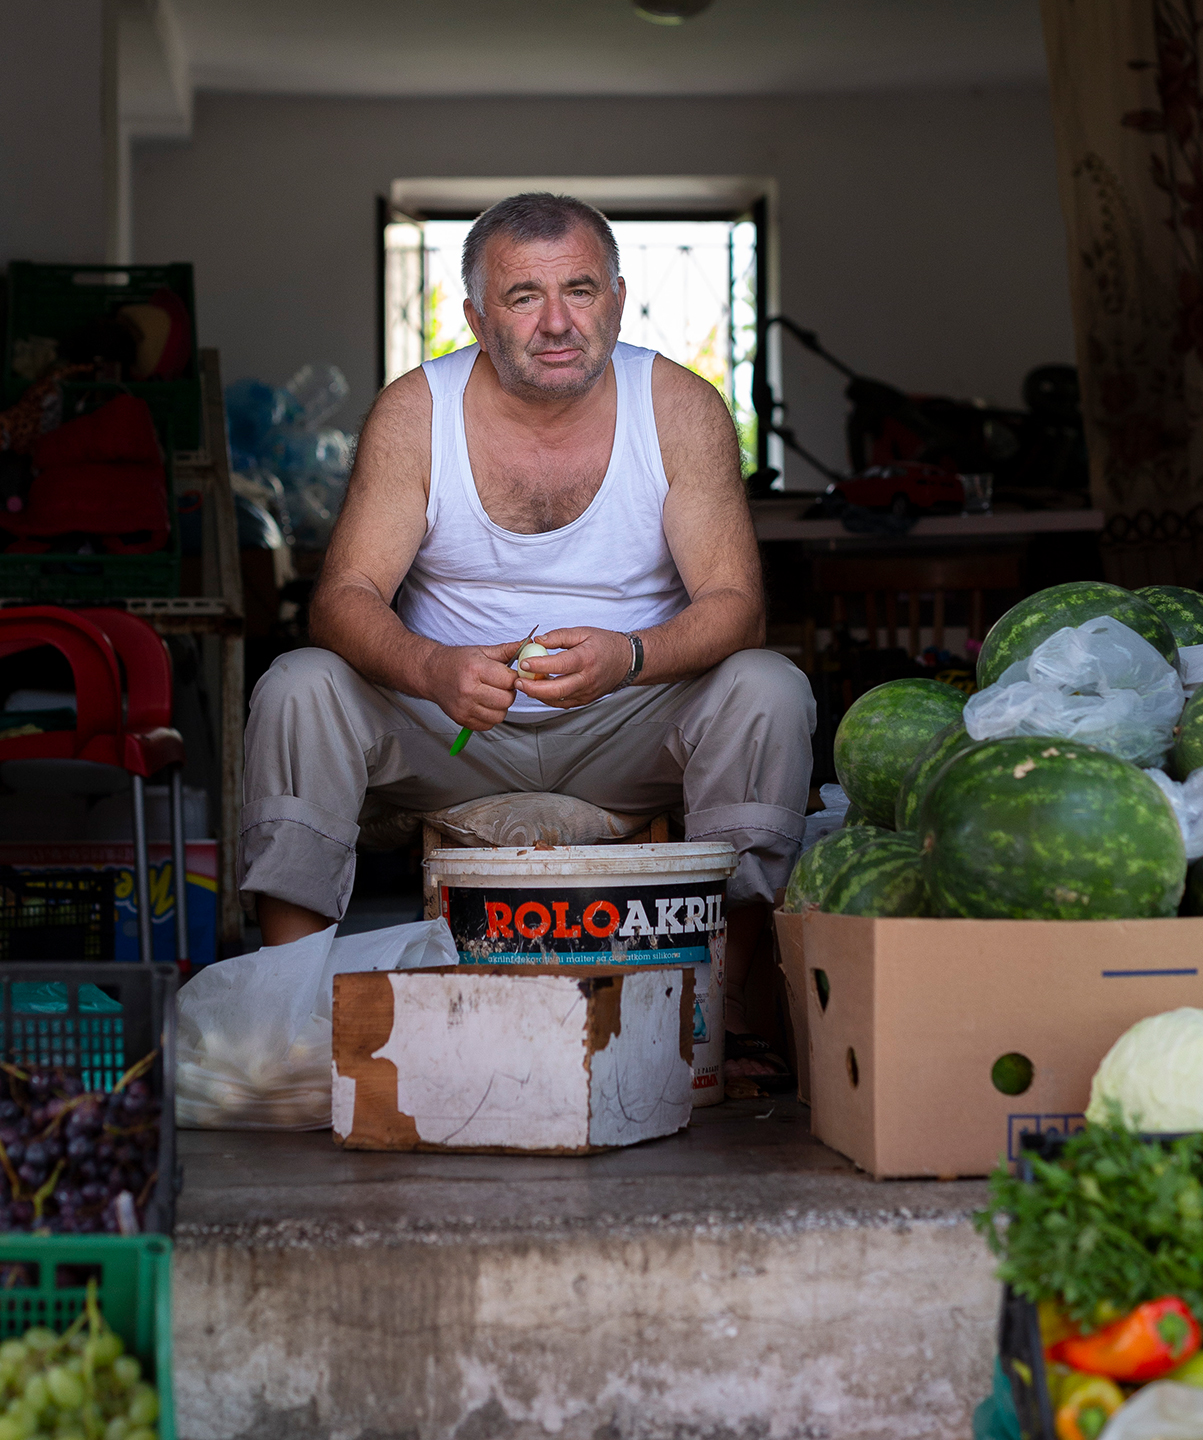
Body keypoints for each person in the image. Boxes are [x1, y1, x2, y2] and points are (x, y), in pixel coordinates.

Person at [239, 191, 815, 1041]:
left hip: (629, 722)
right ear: (476, 318)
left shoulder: (679, 406)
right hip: (454, 728)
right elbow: (343, 597)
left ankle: (728, 1013)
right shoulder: (416, 411)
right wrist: (431, 668)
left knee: (768, 686)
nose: (557, 323)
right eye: (523, 297)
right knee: (299, 684)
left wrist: (629, 656)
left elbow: (737, 608)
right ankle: (284, 1018)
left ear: (616, 299)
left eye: (580, 290)